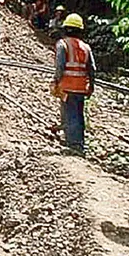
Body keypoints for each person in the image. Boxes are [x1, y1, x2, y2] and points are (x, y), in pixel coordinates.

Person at [51, 13, 96, 153]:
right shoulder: (86, 47)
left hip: (67, 85)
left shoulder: (62, 44)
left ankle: (73, 145)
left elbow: (60, 66)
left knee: (70, 114)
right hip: (82, 86)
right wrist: (91, 86)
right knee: (78, 114)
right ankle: (80, 142)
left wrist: (56, 80)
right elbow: (92, 68)